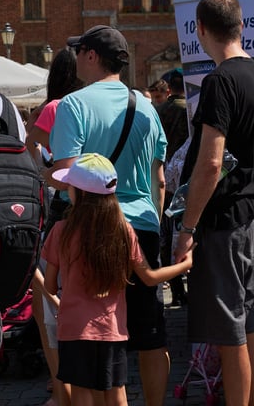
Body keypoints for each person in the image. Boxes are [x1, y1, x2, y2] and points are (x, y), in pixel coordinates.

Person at [47, 25, 170, 406]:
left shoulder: (73, 105)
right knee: (150, 335)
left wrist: (45, 175)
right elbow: (159, 178)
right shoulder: (147, 106)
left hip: (92, 227)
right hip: (142, 225)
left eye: (78, 52)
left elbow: (66, 173)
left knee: (97, 331)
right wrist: (151, 224)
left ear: (91, 56)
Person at [173, 0, 254, 406]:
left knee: (230, 333)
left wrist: (187, 227)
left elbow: (210, 163)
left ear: (200, 29)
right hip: (250, 216)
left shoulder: (220, 81)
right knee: (247, 324)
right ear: (241, 26)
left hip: (224, 223)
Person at [43, 153, 192, 406]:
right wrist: (185, 264)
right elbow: (150, 278)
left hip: (73, 330)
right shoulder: (123, 230)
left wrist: (62, 296)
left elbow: (49, 285)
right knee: (116, 392)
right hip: (112, 330)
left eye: (70, 185)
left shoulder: (61, 231)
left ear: (81, 193)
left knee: (81, 392)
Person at [25, 46, 83, 406]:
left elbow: (30, 153)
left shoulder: (53, 108)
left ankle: (62, 388)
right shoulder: (87, 105)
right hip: (91, 209)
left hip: (58, 212)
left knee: (47, 302)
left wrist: (45, 170)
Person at [156, 68, 189, 307]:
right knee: (188, 231)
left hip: (164, 180)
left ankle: (175, 287)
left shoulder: (159, 111)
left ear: (169, 88)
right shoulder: (191, 110)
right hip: (187, 178)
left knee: (166, 236)